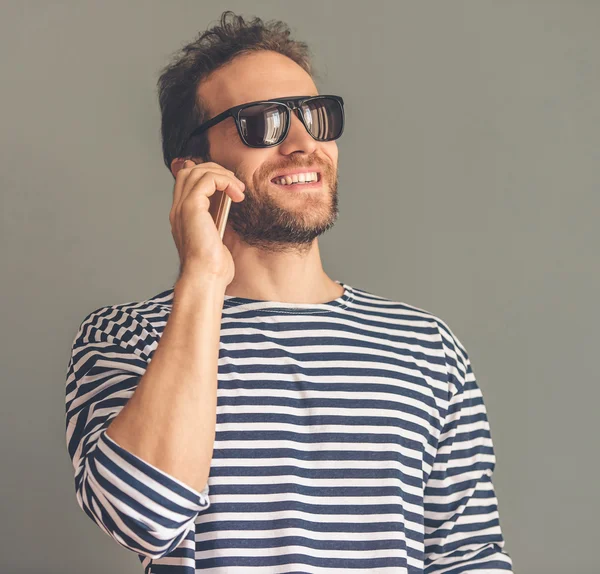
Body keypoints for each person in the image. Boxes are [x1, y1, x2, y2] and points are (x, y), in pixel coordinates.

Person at [64, 10, 513, 574]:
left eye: (315, 116)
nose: (303, 144)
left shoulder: (425, 346)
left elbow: (469, 558)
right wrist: (202, 278)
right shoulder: (128, 336)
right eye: (262, 123)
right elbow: (144, 518)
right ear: (192, 170)